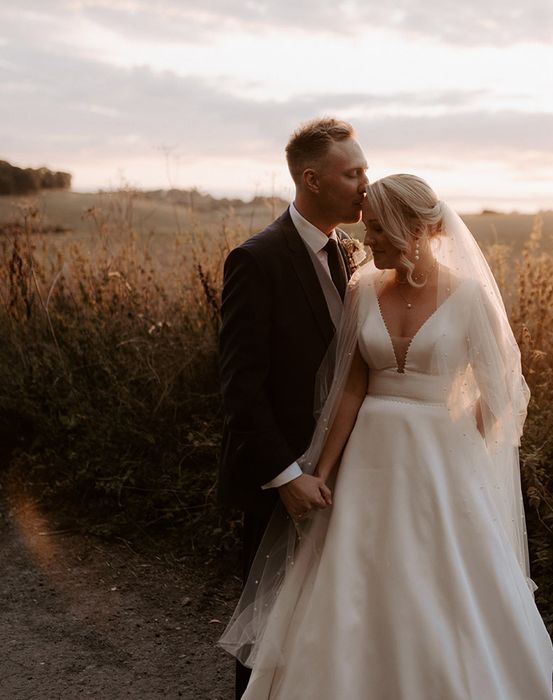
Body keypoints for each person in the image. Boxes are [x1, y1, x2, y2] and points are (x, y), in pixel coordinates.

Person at [219, 174, 553, 699]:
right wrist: (321, 471)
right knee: (352, 583)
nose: (364, 237)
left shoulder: (468, 299)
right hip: (366, 464)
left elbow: (502, 394)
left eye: (376, 228)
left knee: (439, 588)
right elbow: (351, 388)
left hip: (441, 470)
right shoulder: (364, 287)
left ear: (413, 229)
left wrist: (460, 448)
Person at [217, 117, 368, 698]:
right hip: (278, 474)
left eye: (365, 170)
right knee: (269, 618)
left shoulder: (352, 253)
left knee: (330, 606)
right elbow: (240, 388)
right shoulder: (256, 260)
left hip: (341, 469)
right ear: (311, 179)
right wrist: (285, 477)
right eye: (352, 173)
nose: (364, 185)